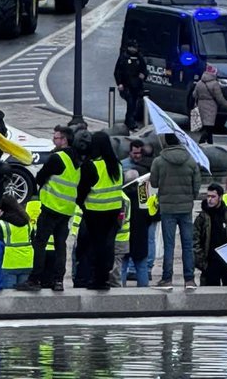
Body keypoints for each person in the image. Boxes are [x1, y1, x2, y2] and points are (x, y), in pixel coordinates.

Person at [17, 126, 79, 293]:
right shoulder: (76, 159)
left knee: (40, 243)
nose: (53, 140)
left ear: (64, 140)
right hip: (67, 209)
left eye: (56, 137)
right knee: (60, 245)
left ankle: (35, 279)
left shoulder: (57, 158)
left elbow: (40, 177)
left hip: (51, 206)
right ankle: (58, 280)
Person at [149, 132, 202, 290]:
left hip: (167, 208)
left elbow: (154, 183)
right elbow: (197, 184)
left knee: (169, 245)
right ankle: (189, 279)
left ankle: (167, 278)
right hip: (186, 208)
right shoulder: (191, 160)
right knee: (187, 244)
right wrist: (190, 197)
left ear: (166, 142)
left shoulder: (159, 161)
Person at [75, 131, 125, 291]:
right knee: (107, 246)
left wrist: (80, 203)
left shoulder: (91, 165)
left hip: (94, 211)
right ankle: (104, 278)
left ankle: (96, 279)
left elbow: (82, 190)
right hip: (114, 210)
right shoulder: (117, 165)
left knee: (95, 246)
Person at [193, 183, 227, 287]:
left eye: (213, 196)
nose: (210, 199)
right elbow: (194, 241)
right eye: (208, 196)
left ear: (220, 197)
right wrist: (202, 264)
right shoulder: (202, 217)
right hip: (210, 263)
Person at [0, 194, 33, 290]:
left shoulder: (1, 224)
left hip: (8, 264)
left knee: (9, 296)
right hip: (27, 262)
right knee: (24, 296)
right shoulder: (28, 223)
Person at [114, 42, 148, 133]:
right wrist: (119, 83)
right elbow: (117, 71)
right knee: (130, 102)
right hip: (126, 85)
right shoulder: (124, 57)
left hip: (136, 85)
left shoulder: (139, 58)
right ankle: (130, 122)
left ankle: (128, 120)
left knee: (134, 104)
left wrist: (143, 75)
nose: (133, 50)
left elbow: (144, 69)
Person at [193, 66, 227, 144]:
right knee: (209, 126)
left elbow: (194, 95)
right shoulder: (215, 84)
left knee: (206, 125)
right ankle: (202, 140)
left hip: (200, 104)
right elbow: (220, 98)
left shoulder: (199, 83)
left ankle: (210, 141)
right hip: (211, 106)